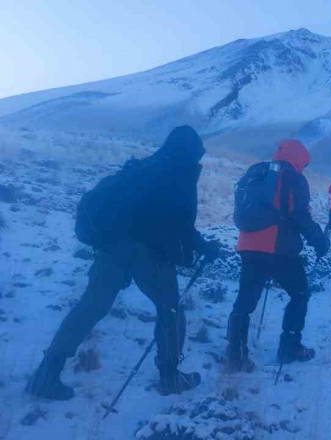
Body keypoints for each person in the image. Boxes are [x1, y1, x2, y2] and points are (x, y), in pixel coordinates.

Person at [26, 125, 217, 400]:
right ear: (190, 151)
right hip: (147, 253)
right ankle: (170, 377)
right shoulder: (178, 171)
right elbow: (180, 224)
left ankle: (46, 374)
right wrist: (204, 246)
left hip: (111, 248)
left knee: (90, 307)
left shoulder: (144, 168)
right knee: (170, 310)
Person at [229, 140, 329, 371]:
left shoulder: (257, 172)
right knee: (300, 293)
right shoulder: (293, 177)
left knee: (244, 300)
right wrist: (319, 241)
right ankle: (290, 347)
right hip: (278, 247)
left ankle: (235, 353)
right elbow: (300, 216)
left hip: (248, 244)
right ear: (300, 159)